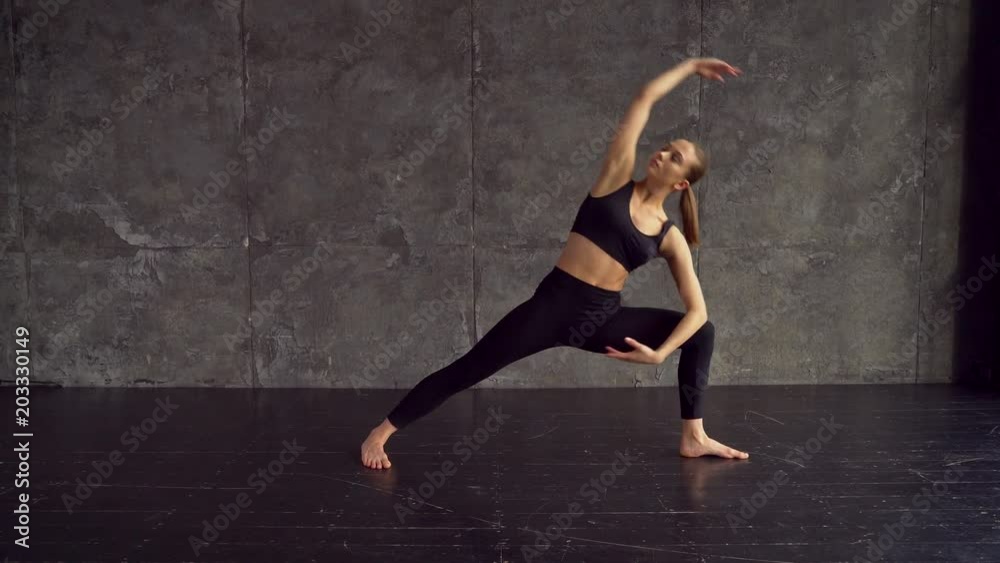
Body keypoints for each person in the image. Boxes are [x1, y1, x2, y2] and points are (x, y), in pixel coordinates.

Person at [362, 57, 749, 469]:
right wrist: (690, 67)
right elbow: (644, 98)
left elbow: (698, 312)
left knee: (702, 332)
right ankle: (381, 433)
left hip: (601, 319)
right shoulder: (616, 177)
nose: (664, 154)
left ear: (681, 182)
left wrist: (660, 354)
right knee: (470, 367)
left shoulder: (669, 236)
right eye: (667, 147)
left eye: (676, 158)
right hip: (550, 309)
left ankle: (694, 435)